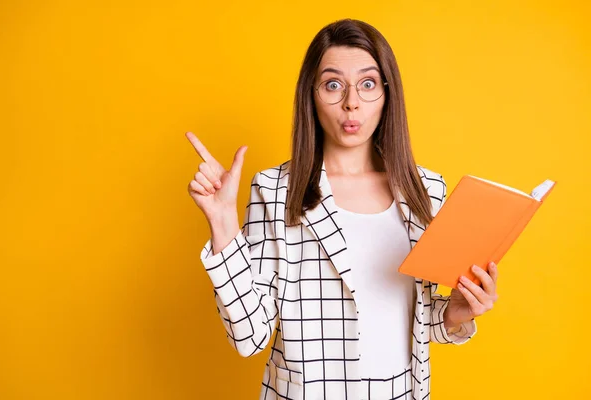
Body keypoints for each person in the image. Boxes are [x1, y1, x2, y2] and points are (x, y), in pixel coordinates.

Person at [186, 18, 499, 400]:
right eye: (333, 85)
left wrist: (455, 313)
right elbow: (250, 336)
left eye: (367, 84)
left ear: (387, 94)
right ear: (311, 96)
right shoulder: (275, 191)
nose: (352, 102)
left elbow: (414, 321)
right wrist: (222, 223)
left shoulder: (426, 191)